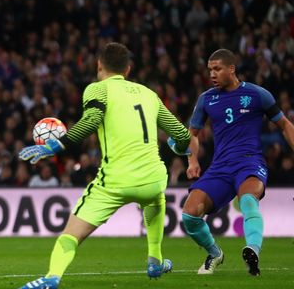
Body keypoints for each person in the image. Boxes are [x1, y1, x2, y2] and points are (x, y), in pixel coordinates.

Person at [17, 42, 199, 289]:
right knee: (155, 199)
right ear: (128, 70)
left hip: (115, 181)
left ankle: (52, 277)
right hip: (153, 178)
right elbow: (181, 134)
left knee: (71, 234)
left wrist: (55, 146)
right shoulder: (148, 93)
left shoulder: (97, 89)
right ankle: (155, 259)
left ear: (99, 65)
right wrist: (179, 148)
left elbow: (92, 120)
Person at [180, 49, 294, 276]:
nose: (212, 74)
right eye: (210, 69)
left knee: (248, 200)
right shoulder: (206, 99)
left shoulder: (257, 94)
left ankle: (252, 249)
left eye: (217, 69)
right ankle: (214, 253)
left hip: (249, 162)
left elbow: (285, 125)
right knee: (189, 215)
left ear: (231, 69)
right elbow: (191, 134)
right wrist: (192, 159)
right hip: (220, 167)